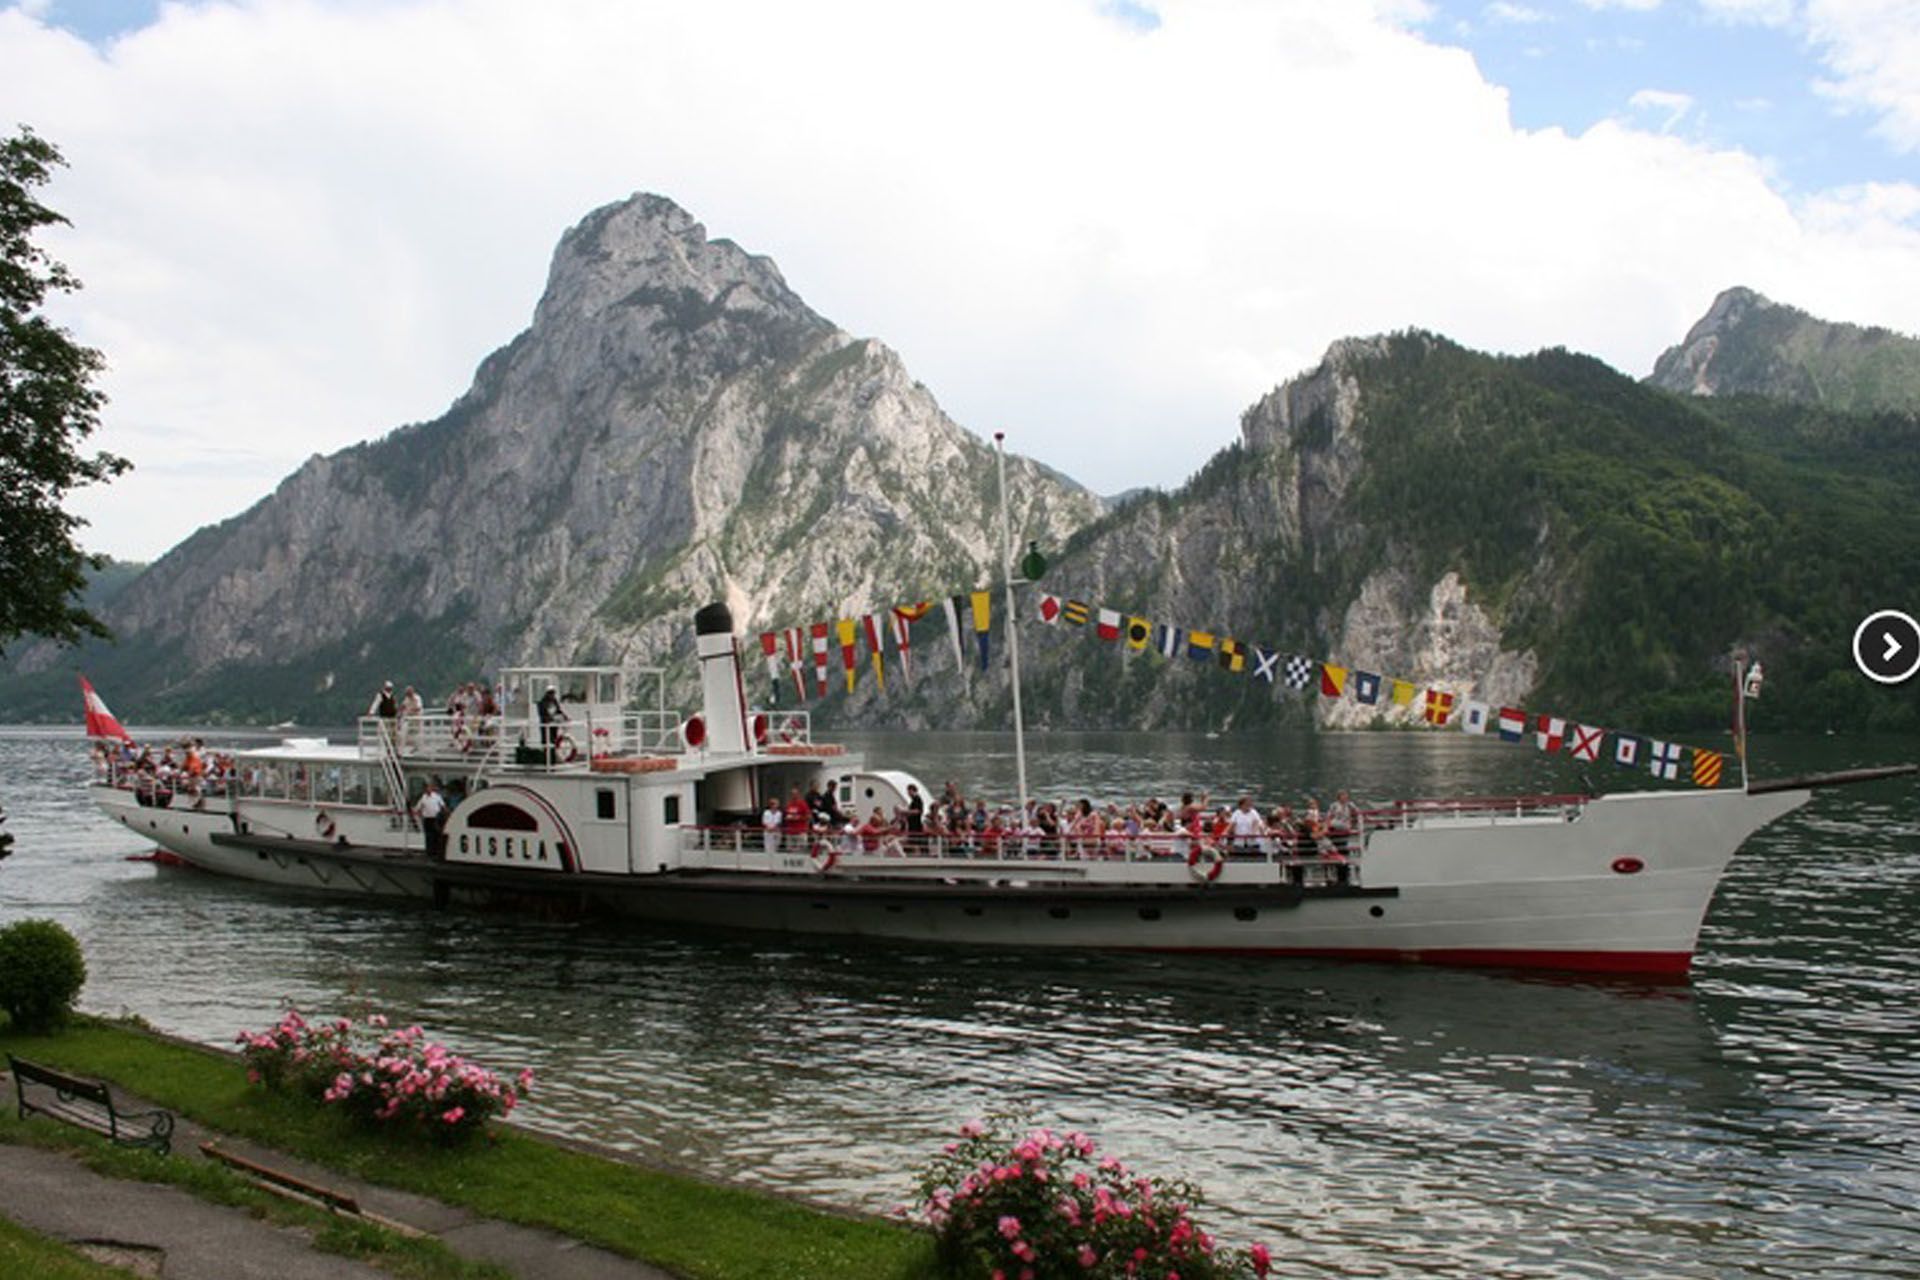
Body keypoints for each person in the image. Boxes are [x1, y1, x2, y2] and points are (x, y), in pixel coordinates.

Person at [415, 779, 448, 859]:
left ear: (431, 788)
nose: (427, 789)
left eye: (429, 787)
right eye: (426, 788)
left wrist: (445, 815)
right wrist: (419, 815)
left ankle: (436, 851)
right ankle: (429, 851)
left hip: (435, 818)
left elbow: (443, 807)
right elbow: (418, 808)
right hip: (427, 819)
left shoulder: (437, 796)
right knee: (428, 836)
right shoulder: (423, 797)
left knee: (436, 835)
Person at [537, 686, 567, 751]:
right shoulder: (542, 702)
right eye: (551, 693)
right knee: (546, 741)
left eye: (553, 693)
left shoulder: (554, 701)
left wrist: (564, 716)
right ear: (547, 693)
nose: (552, 695)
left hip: (554, 725)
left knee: (554, 740)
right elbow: (542, 714)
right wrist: (548, 719)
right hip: (546, 725)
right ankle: (546, 756)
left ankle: (553, 755)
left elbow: (558, 710)